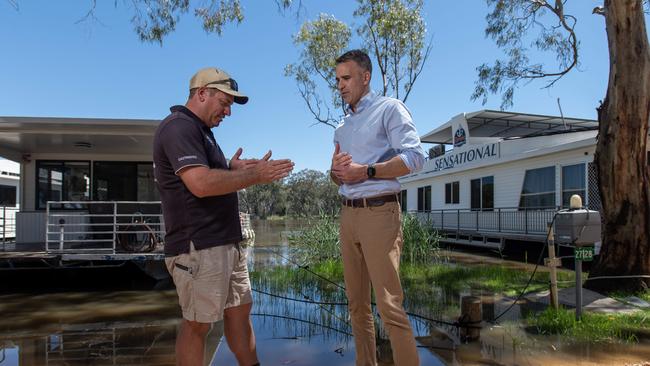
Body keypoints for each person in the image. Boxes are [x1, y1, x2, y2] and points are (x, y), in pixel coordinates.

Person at [153, 67, 294, 366]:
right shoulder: (178, 127)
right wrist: (255, 175)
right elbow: (201, 184)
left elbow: (207, 177)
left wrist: (232, 170)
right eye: (224, 103)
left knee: (240, 313)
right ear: (202, 93)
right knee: (198, 324)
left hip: (227, 243)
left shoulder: (202, 132)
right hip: (199, 247)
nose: (228, 112)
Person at [330, 50, 425, 366]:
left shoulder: (390, 109)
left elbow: (414, 159)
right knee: (356, 306)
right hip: (348, 215)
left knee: (389, 306)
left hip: (380, 214)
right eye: (338, 80)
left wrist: (366, 171)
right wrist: (336, 172)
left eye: (346, 78)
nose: (341, 85)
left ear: (365, 77)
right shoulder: (342, 127)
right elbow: (339, 176)